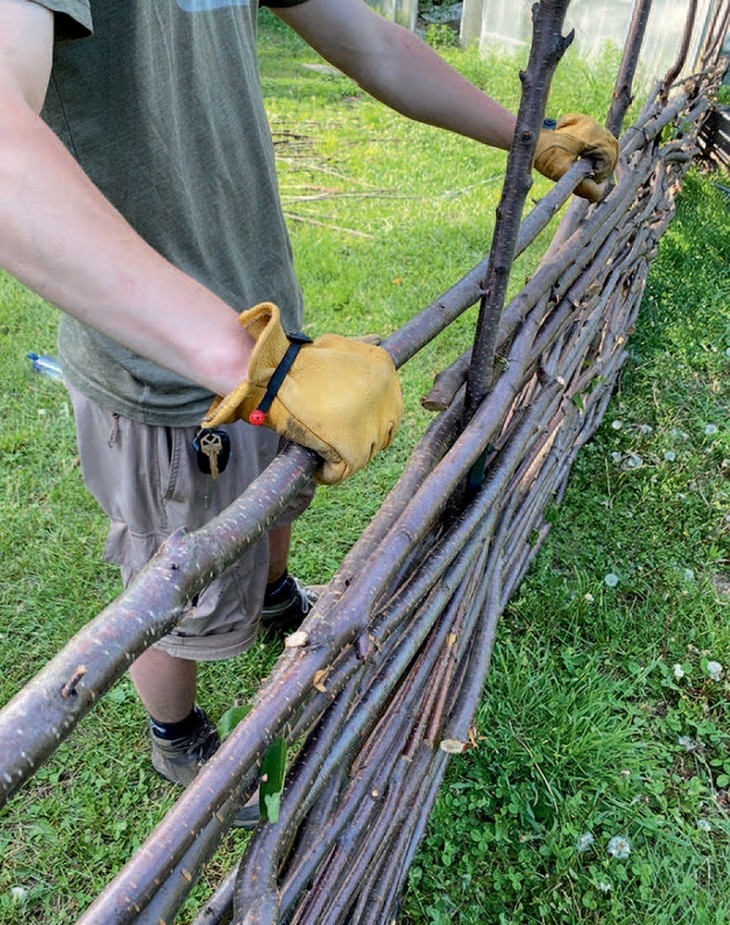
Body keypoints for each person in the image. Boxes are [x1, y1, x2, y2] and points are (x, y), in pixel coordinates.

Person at [0, 0, 618, 812]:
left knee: (277, 492)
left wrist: (525, 131)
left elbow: (371, 41)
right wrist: (239, 358)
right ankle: (175, 734)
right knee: (167, 579)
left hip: (262, 323)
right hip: (167, 362)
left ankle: (273, 601)